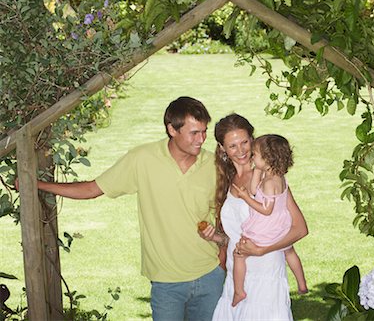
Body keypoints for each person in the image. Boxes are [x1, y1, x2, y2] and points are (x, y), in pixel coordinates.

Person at [17, 97, 225, 321]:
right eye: (194, 132)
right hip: (167, 283)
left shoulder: (214, 165)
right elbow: (91, 189)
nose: (202, 139)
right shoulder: (142, 159)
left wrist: (222, 261)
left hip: (209, 277)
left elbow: (224, 215)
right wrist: (37, 184)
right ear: (172, 129)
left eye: (204, 131)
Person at [199, 113, 308, 320]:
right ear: (222, 148)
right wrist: (215, 237)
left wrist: (262, 249)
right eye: (232, 146)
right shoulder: (226, 179)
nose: (240, 151)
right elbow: (234, 236)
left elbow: (300, 228)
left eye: (244, 142)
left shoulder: (270, 177)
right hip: (236, 277)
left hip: (265, 275)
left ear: (253, 139)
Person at [231, 134, 308, 306]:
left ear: (267, 159)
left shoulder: (269, 183)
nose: (252, 156)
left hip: (266, 227)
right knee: (289, 251)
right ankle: (302, 284)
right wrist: (258, 169)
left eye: (255, 154)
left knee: (238, 254)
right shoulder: (278, 177)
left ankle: (238, 292)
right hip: (282, 225)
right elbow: (253, 189)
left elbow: (266, 209)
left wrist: (245, 198)